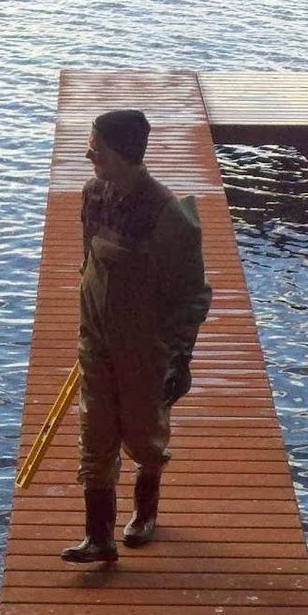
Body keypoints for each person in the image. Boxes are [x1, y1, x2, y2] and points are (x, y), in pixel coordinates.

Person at [62, 108, 212, 564]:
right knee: (95, 432)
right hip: (97, 337)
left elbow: (193, 294)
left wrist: (180, 358)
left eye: (97, 150)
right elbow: (89, 262)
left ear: (124, 154)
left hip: (145, 345)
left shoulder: (167, 214)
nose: (89, 156)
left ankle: (145, 511)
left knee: (145, 436)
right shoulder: (93, 193)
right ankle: (99, 538)